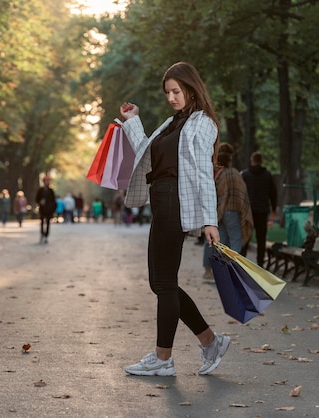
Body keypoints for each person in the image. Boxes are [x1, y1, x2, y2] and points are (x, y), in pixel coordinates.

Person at [119, 62, 230, 377]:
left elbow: (202, 173)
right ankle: (210, 341)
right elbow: (146, 152)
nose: (171, 97)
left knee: (164, 282)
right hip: (161, 200)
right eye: (167, 92)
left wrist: (210, 220)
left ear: (191, 89)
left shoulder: (202, 123)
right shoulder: (171, 122)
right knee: (161, 282)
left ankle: (163, 357)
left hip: (175, 202)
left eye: (176, 91)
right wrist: (133, 120)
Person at [202, 146, 254, 282]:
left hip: (219, 211)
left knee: (219, 242)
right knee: (236, 239)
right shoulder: (234, 173)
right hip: (232, 210)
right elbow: (242, 193)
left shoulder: (217, 173)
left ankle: (211, 271)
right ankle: (232, 270)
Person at [241, 152, 278, 267]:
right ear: (261, 162)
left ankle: (242, 263)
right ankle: (260, 263)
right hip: (262, 211)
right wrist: (274, 207)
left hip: (248, 212)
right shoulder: (267, 175)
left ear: (252, 161)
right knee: (261, 239)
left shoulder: (245, 175)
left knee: (246, 237)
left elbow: (241, 193)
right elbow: (273, 193)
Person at [35, 175, 56, 243]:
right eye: (46, 181)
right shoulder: (40, 190)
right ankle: (42, 234)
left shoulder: (51, 191)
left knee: (48, 223)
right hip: (42, 208)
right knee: (42, 222)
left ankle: (46, 236)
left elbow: (53, 201)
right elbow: (37, 199)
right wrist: (40, 201)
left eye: (48, 181)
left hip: (49, 209)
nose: (47, 182)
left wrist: (53, 209)